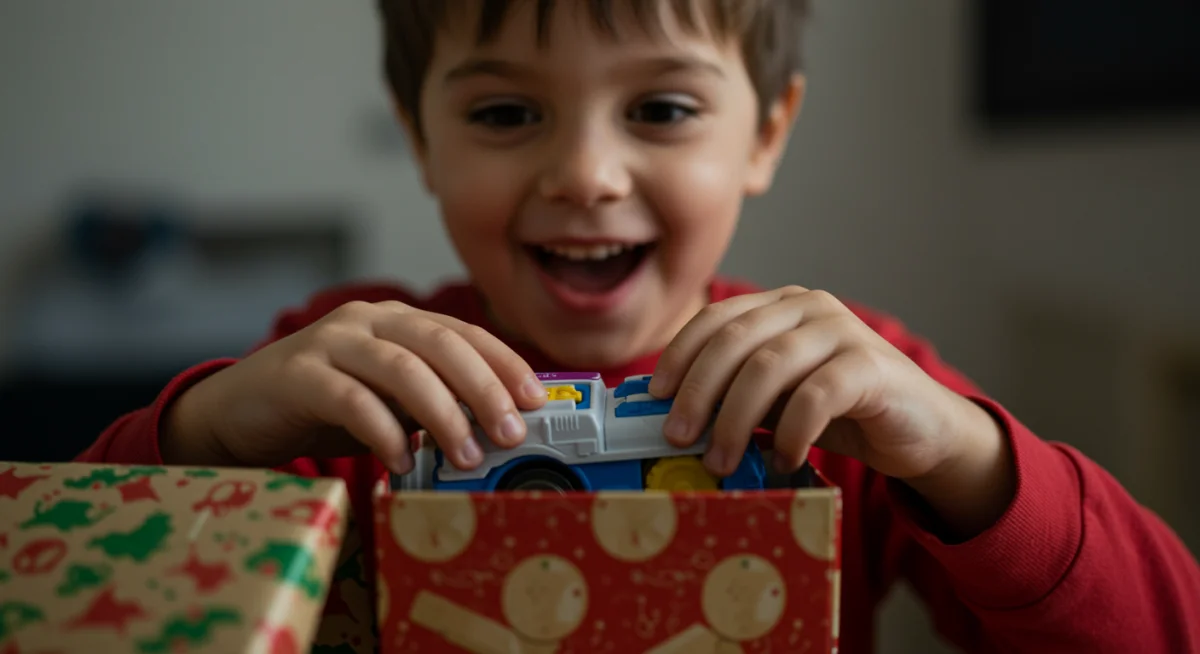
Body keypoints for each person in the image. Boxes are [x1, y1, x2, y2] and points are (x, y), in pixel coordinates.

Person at [76, 1, 1200, 651]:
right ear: (419, 138)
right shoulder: (348, 378)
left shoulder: (849, 390)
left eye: (661, 108)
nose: (586, 174)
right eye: (506, 112)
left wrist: (968, 455)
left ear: (766, 132)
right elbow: (66, 597)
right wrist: (206, 435)